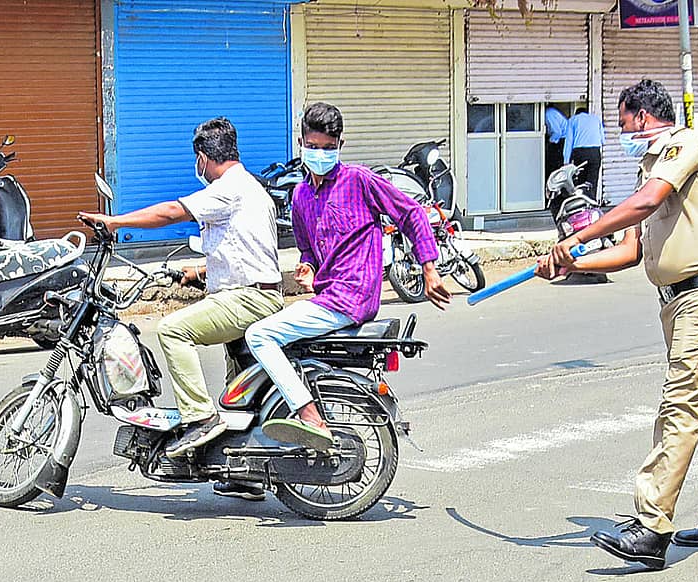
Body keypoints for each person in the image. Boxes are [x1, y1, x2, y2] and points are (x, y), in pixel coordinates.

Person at [539, 79, 698, 570]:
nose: (621, 134)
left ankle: (653, 525)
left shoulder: (685, 145)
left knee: (680, 404)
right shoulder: (650, 168)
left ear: (640, 116)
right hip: (680, 302)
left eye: (621, 124)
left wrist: (577, 236)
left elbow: (643, 205)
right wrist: (576, 265)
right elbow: (632, 250)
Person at [244, 101, 450, 451]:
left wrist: (429, 268)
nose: (320, 154)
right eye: (313, 147)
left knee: (259, 336)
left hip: (350, 298)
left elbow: (412, 214)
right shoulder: (301, 195)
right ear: (301, 143)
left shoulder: (359, 180)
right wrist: (308, 267)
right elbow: (308, 249)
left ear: (339, 146)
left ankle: (308, 414)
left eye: (327, 148)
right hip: (326, 296)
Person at [77, 117, 284, 466]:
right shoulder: (249, 187)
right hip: (252, 292)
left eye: (197, 160)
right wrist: (199, 271)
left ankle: (201, 417)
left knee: (173, 329)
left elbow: (172, 212)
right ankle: (240, 473)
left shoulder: (227, 188)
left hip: (249, 299)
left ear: (202, 157)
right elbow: (245, 247)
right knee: (238, 395)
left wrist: (115, 222)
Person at [562, 107, 604, 198]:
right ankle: (592, 204)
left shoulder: (573, 120)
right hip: (595, 152)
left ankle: (582, 204)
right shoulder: (596, 119)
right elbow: (603, 140)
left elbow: (569, 141)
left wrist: (566, 161)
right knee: (593, 181)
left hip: (580, 153)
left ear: (576, 113)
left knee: (581, 181)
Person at [544, 105, 568, 180]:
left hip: (561, 140)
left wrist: (549, 143)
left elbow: (557, 132)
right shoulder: (550, 111)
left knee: (553, 165)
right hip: (561, 139)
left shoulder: (548, 114)